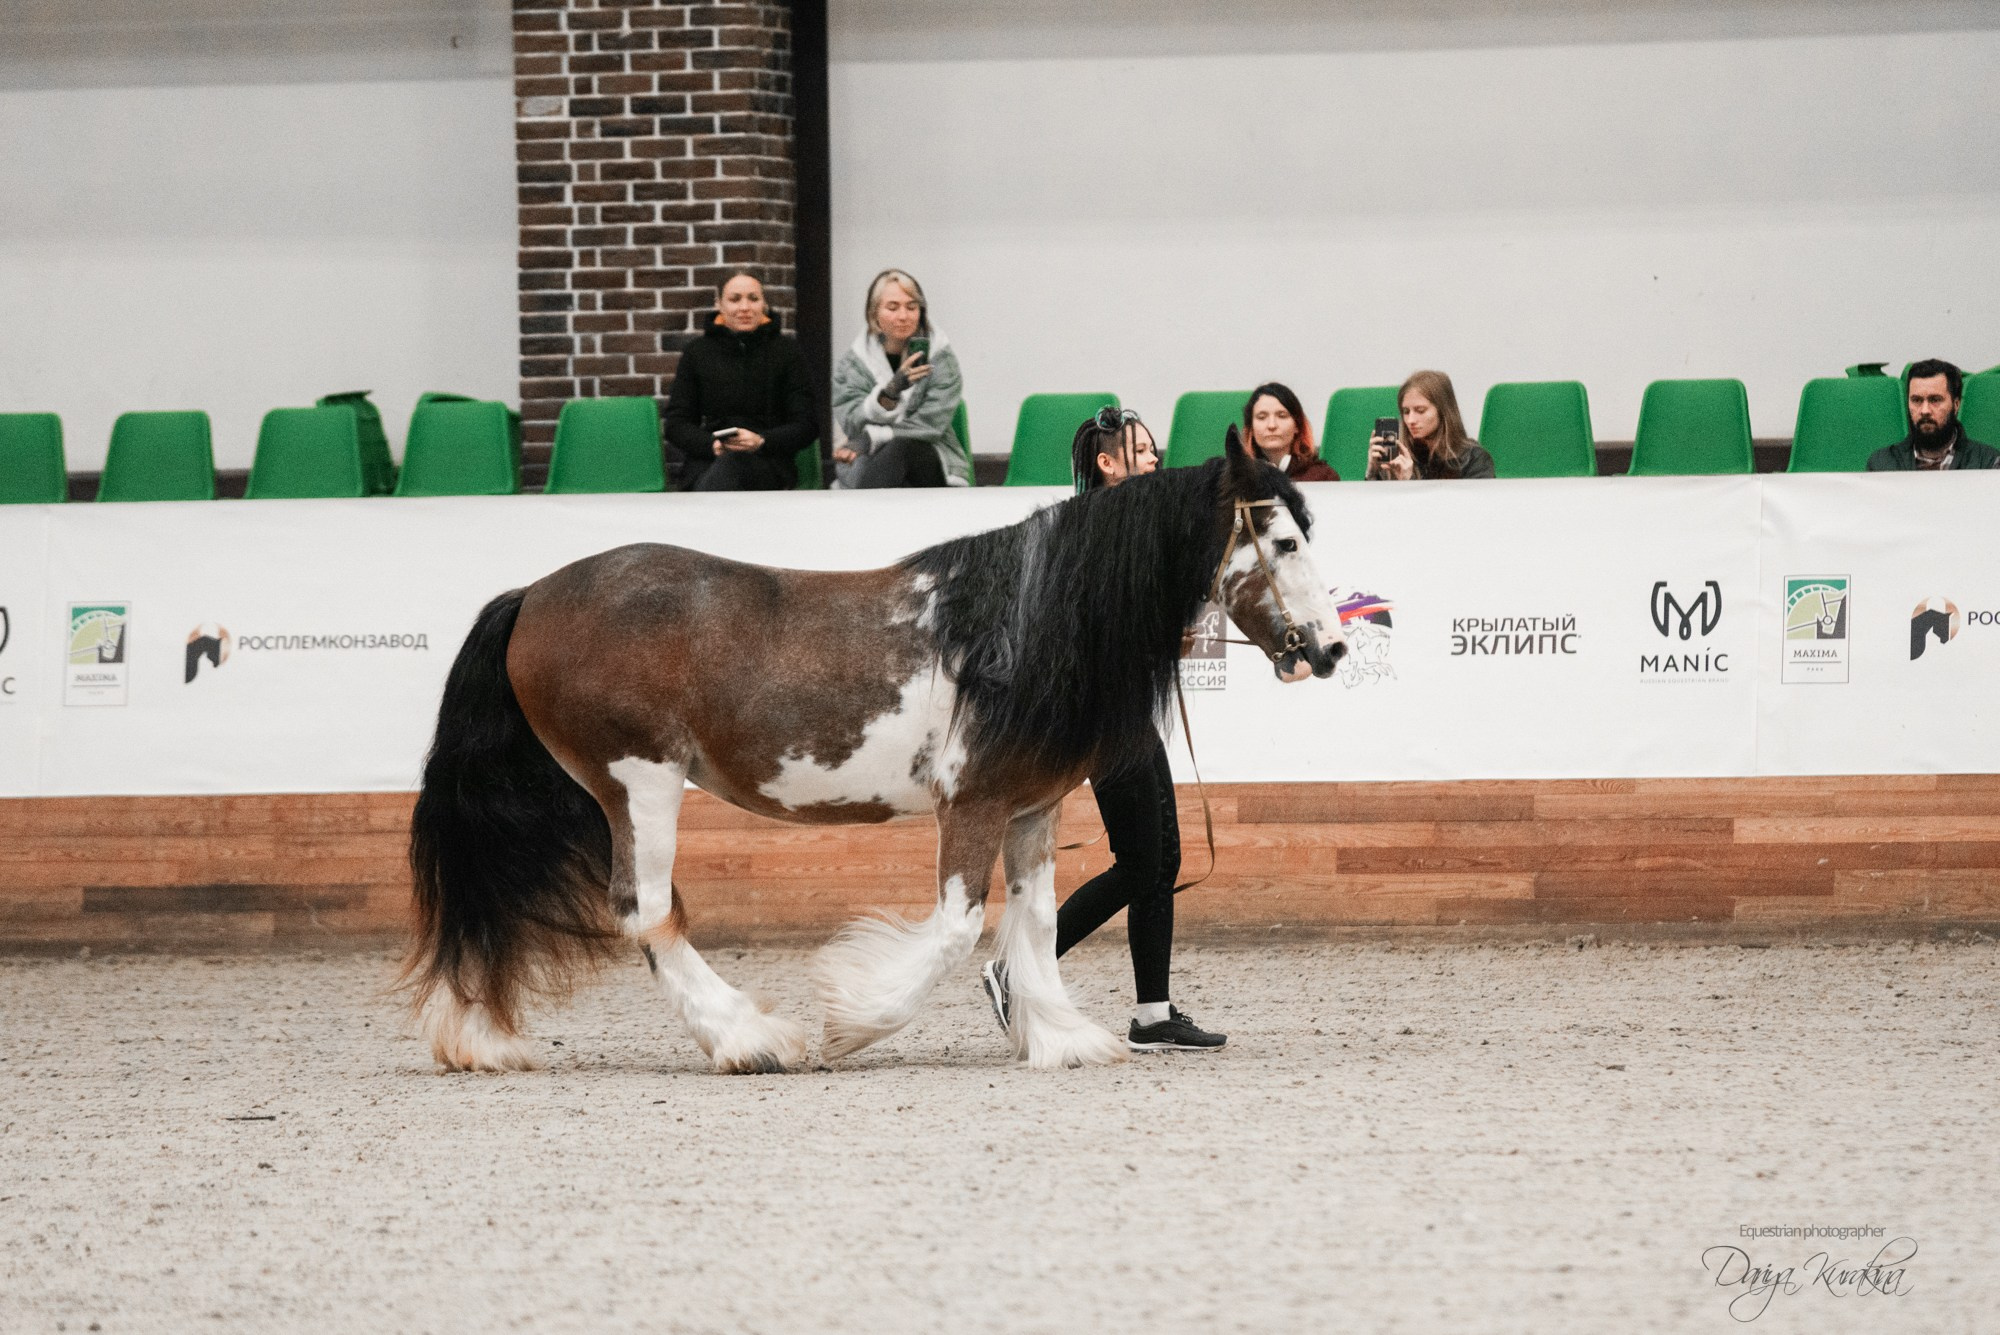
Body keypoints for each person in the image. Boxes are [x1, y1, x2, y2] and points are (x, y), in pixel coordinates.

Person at [980, 406, 1226, 1053]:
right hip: (1104, 715)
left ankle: (1153, 1013)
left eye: (1154, 449)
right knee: (1143, 862)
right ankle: (1017, 971)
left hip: (1126, 710)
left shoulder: (1131, 530)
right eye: (1141, 451)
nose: (1154, 458)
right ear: (1108, 463)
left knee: (1160, 860)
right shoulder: (1092, 531)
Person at [661, 269, 818, 491]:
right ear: (719, 304)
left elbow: (806, 424)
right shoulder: (697, 353)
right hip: (708, 462)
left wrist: (761, 441)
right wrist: (712, 445)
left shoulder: (787, 352)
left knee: (733, 467)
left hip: (769, 463)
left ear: (764, 304)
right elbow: (677, 424)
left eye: (753, 299)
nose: (745, 307)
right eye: (735, 299)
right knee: (726, 468)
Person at [830, 269, 972, 488]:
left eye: (912, 307)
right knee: (874, 466)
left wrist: (873, 437)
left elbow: (931, 425)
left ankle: (862, 508)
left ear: (921, 312)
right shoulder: (853, 364)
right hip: (869, 461)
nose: (903, 316)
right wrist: (889, 393)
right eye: (893, 307)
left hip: (929, 458)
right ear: (874, 314)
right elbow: (850, 421)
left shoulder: (941, 358)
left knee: (901, 448)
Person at [1866, 359, 1999, 471]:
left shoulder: (1987, 463)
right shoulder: (1882, 465)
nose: (1925, 411)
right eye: (1916, 400)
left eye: (1935, 400)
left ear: (1956, 404)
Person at [1366, 369, 1495, 480]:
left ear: (1443, 411)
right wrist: (1372, 473)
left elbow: (1476, 502)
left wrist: (1409, 482)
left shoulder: (1474, 459)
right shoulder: (1398, 456)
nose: (1410, 420)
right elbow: (1373, 502)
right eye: (1406, 412)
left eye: (1420, 410)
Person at [1244, 382, 1339, 481]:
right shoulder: (1239, 478)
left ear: (1297, 426)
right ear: (1251, 429)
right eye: (1262, 417)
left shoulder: (1323, 476)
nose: (1272, 425)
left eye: (1282, 416)